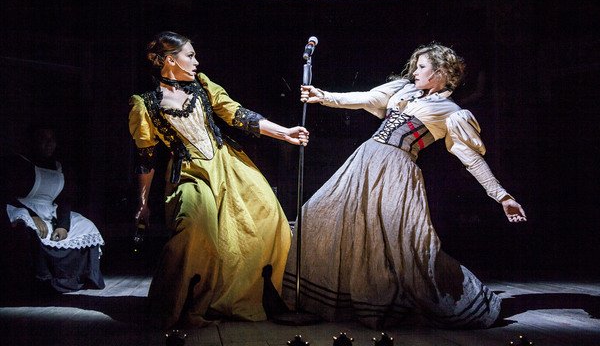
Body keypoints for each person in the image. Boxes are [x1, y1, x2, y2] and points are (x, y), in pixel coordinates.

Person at [283, 42, 527, 329]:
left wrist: (502, 196)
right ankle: (326, 298)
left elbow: (471, 159)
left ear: (441, 72)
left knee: (404, 243)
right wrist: (323, 96)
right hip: (364, 161)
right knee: (316, 213)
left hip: (396, 172)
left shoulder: (450, 112)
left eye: (422, 67)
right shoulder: (404, 91)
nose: (415, 72)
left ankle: (441, 300)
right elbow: (365, 98)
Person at [128, 31, 309, 329]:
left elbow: (236, 113)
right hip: (190, 173)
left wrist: (284, 133)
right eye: (190, 56)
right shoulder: (144, 103)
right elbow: (146, 158)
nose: (196, 62)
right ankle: (177, 307)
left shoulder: (202, 85)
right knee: (196, 228)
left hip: (228, 164)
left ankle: (255, 296)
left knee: (268, 214)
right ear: (170, 60)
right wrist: (143, 204)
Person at [2, 124, 105, 295]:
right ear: (34, 141)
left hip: (51, 211)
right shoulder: (19, 163)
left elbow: (65, 199)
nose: (49, 143)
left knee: (86, 226)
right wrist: (32, 216)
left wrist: (63, 226)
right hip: (23, 207)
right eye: (43, 139)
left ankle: (79, 277)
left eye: (52, 139)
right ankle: (43, 280)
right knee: (28, 225)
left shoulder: (58, 166)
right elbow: (6, 193)